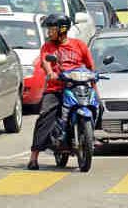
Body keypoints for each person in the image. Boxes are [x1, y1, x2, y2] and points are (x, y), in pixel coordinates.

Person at [27, 14, 95, 170]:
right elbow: (45, 61)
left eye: (52, 29)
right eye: (49, 29)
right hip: (56, 88)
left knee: (97, 106)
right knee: (45, 116)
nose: (49, 33)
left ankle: (90, 137)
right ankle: (33, 157)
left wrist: (94, 81)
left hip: (78, 85)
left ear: (62, 30)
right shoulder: (48, 47)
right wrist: (51, 72)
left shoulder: (79, 45)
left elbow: (90, 66)